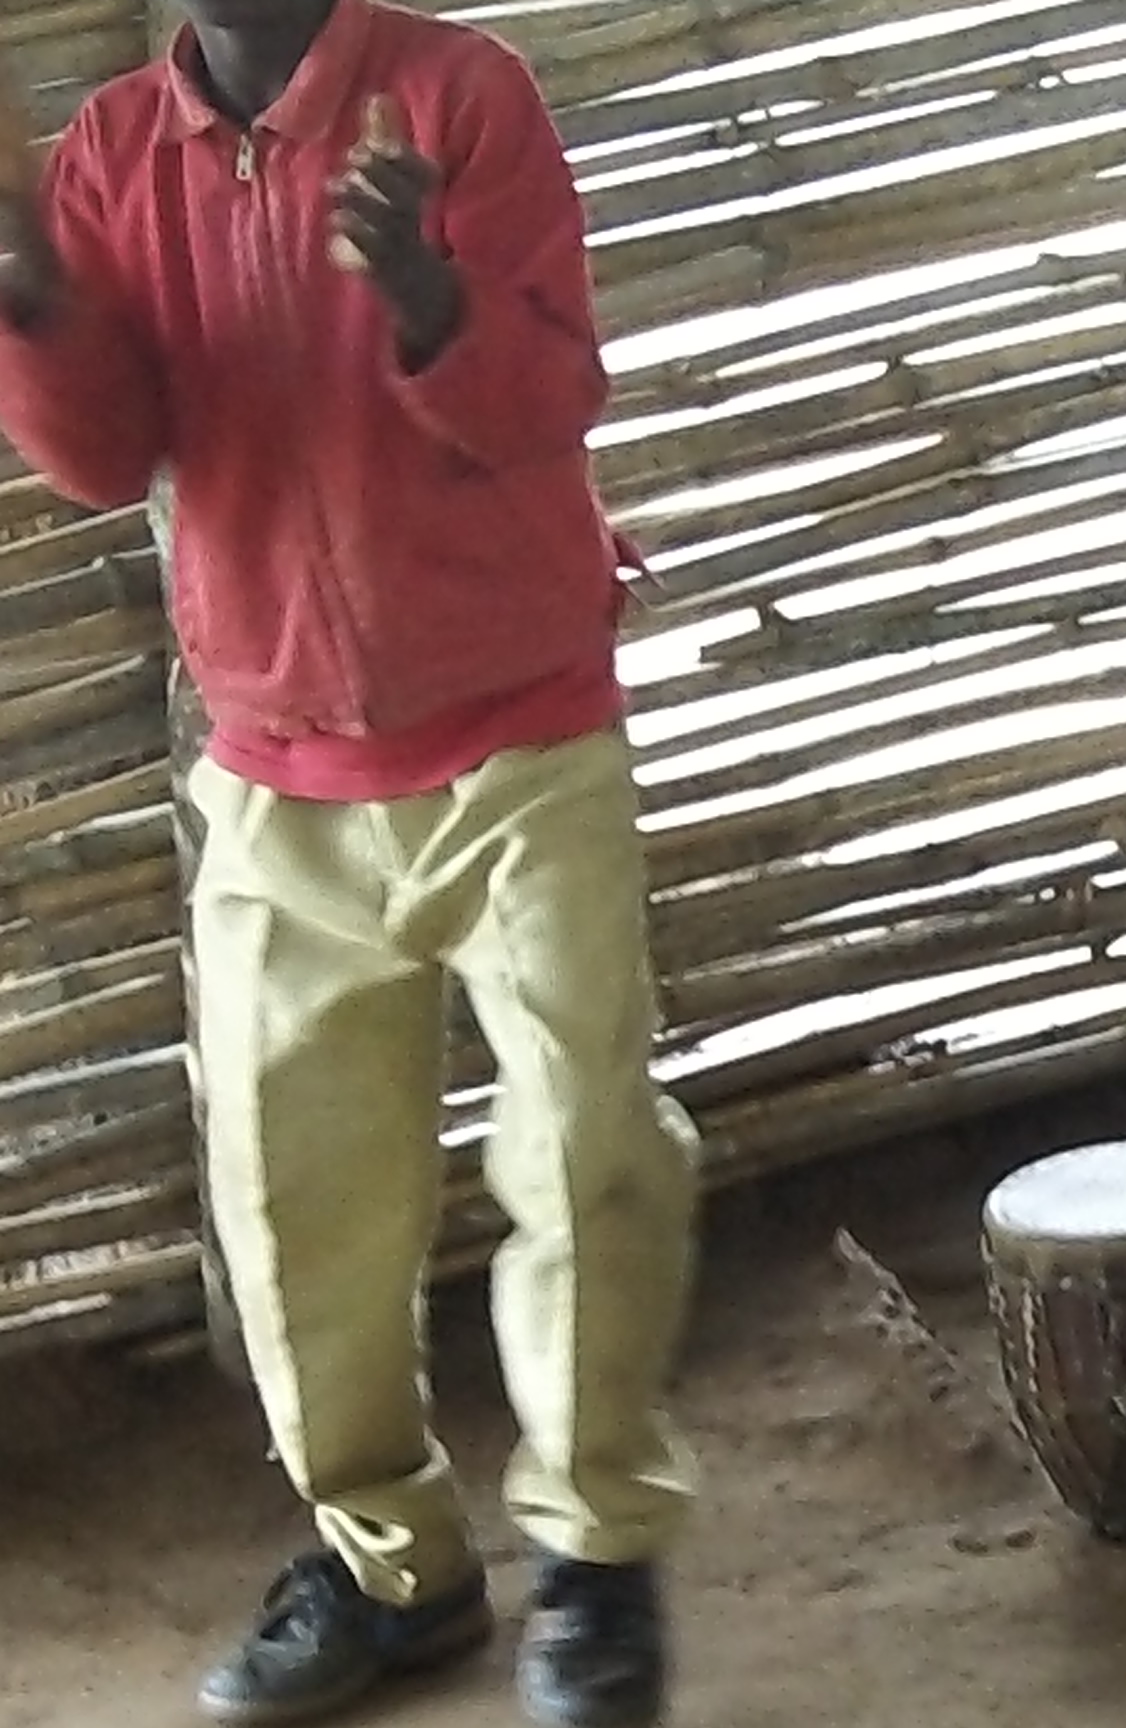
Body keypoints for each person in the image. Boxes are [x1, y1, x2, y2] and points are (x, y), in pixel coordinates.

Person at [0, 4, 696, 1723]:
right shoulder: (111, 158)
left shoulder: (461, 97)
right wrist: (32, 294)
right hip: (277, 768)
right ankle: (396, 1565)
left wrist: (426, 296)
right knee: (292, 1197)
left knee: (590, 1150)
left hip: (522, 736)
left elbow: (551, 398)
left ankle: (596, 1560)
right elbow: (104, 455)